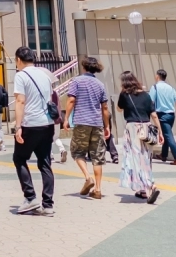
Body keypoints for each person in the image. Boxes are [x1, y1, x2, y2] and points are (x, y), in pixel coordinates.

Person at [11, 45, 55, 216]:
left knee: (19, 158)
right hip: (47, 124)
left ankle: (30, 198)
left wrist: (18, 126)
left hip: (30, 124)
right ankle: (48, 204)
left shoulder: (21, 76)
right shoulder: (44, 74)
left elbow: (20, 101)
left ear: (19, 60)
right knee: (44, 163)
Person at [62, 57, 110, 199]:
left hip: (82, 122)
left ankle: (88, 177)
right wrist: (106, 125)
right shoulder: (100, 84)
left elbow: (71, 99)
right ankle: (98, 189)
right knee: (97, 156)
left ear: (83, 67)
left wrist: (66, 118)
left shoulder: (76, 81)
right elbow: (105, 107)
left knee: (77, 152)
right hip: (97, 123)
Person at [117, 70, 162, 204]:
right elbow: (153, 115)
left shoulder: (124, 95)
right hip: (147, 128)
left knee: (136, 160)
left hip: (133, 129)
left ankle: (150, 186)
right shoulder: (146, 95)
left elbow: (119, 109)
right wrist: (160, 131)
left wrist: (122, 92)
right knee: (146, 159)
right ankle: (143, 190)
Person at [150, 69, 176, 165]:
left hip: (161, 115)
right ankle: (163, 155)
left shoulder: (155, 87)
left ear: (157, 76)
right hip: (171, 115)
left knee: (168, 136)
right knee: (166, 134)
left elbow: (150, 102)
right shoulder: (170, 88)